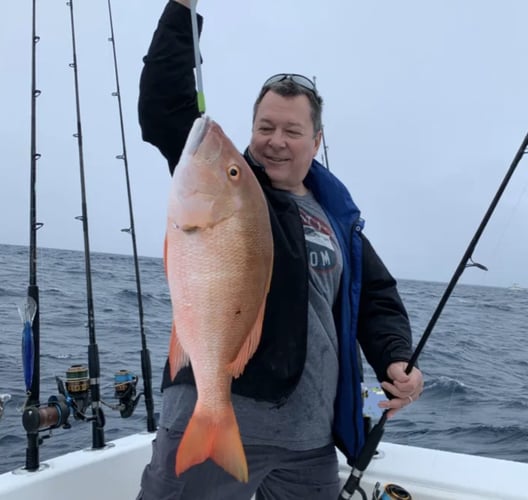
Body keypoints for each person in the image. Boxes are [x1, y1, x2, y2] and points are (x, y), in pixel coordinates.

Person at [136, 1, 424, 499]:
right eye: (265, 127)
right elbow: (165, 105)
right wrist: (183, 11)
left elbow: (374, 295)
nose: (275, 141)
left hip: (310, 443)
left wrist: (396, 358)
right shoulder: (232, 186)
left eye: (292, 131)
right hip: (216, 414)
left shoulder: (338, 216)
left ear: (316, 139)